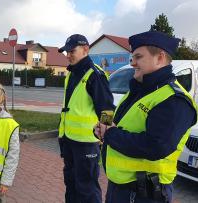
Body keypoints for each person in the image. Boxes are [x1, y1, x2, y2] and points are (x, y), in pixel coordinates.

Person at [94, 31, 197, 203]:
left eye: (138, 57)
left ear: (160, 58)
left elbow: (156, 146)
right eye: (132, 57)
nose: (132, 62)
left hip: (145, 194)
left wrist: (110, 134)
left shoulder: (174, 100)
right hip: (119, 187)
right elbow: (120, 123)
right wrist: (102, 129)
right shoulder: (138, 90)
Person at [58, 34, 115, 203]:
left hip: (87, 144)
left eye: (71, 51)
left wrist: (105, 136)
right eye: (66, 51)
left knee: (87, 188)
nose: (68, 55)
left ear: (85, 49)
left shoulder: (95, 74)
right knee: (71, 184)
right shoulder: (71, 73)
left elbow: (107, 108)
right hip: (69, 140)